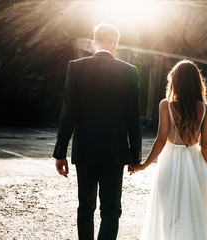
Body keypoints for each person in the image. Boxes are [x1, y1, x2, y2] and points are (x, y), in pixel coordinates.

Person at [53, 23, 142, 240]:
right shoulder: (130, 71)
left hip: (84, 151)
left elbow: (68, 113)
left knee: (85, 207)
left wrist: (60, 152)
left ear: (94, 43)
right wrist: (135, 156)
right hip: (114, 153)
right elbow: (134, 118)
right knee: (111, 210)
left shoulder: (75, 68)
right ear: (116, 45)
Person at [132, 60, 207, 239]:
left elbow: (161, 140)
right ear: (197, 82)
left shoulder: (166, 105)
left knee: (168, 216)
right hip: (196, 165)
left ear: (175, 81)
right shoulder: (205, 109)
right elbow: (205, 145)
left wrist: (144, 166)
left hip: (170, 164)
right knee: (194, 217)